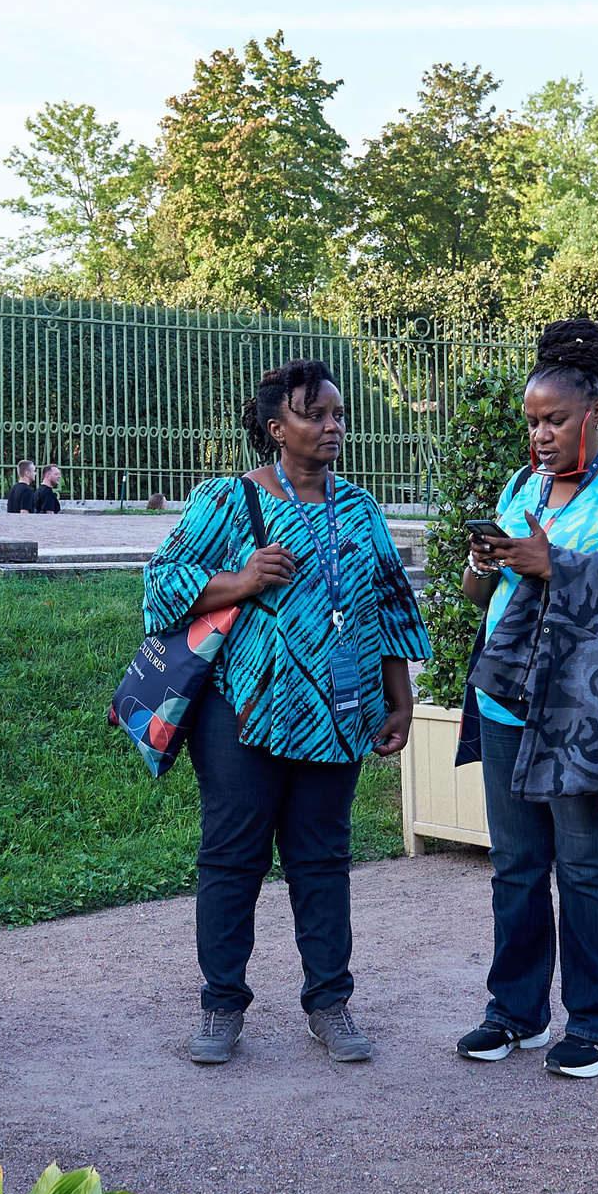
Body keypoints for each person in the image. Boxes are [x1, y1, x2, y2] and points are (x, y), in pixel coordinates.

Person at [143, 359, 429, 1065]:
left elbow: (390, 605)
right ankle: (221, 1004)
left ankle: (329, 1002)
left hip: (339, 711)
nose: (333, 426)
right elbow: (161, 586)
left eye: (338, 414)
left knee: (323, 857)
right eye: (315, 414)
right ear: (276, 428)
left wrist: (400, 697)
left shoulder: (358, 508)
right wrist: (241, 579)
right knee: (232, 856)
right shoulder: (228, 500)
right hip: (243, 712)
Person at [455, 320, 598, 1079]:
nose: (540, 435)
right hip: (507, 701)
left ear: (594, 413)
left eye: (554, 419)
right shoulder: (521, 487)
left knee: (586, 866)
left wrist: (557, 564)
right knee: (516, 864)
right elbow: (479, 595)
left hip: (583, 709)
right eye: (532, 421)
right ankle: (515, 1013)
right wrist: (486, 562)